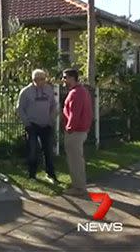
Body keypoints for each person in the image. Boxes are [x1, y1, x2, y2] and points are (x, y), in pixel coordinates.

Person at [16, 69, 58, 183]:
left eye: (43, 79)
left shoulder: (48, 90)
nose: (41, 81)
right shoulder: (26, 92)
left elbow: (54, 105)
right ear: (33, 80)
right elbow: (20, 109)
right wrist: (27, 123)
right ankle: (32, 175)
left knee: (48, 150)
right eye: (38, 79)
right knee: (33, 150)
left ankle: (50, 174)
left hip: (46, 125)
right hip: (32, 125)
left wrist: (51, 119)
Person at [61, 68, 93, 196]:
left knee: (74, 160)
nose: (63, 80)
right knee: (77, 159)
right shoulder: (82, 91)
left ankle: (79, 188)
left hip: (75, 132)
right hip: (81, 130)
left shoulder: (76, 93)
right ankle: (79, 185)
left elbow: (75, 114)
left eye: (65, 77)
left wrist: (69, 128)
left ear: (71, 78)